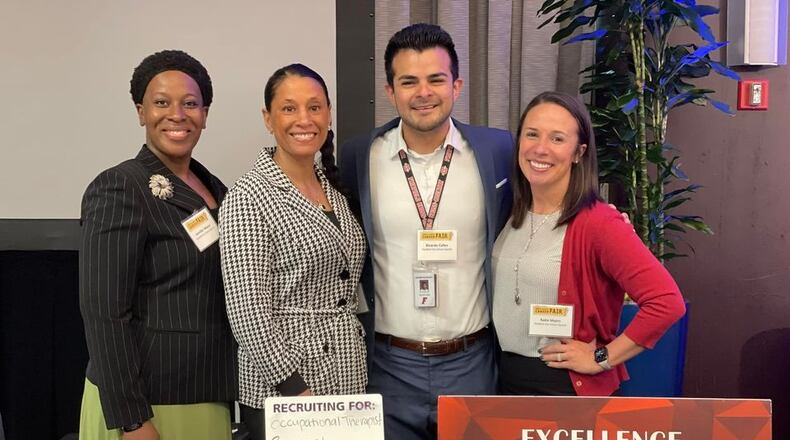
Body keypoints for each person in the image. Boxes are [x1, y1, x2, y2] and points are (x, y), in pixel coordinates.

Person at [338, 24, 513, 440]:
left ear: (457, 85)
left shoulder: (498, 151)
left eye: (436, 79)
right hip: (388, 364)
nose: (423, 92)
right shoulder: (359, 155)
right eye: (408, 81)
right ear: (390, 91)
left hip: (472, 362)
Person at [78, 50, 237, 440]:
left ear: (205, 114)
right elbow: (105, 313)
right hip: (147, 404)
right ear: (140, 111)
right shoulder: (121, 187)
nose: (177, 115)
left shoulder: (218, 190)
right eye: (161, 102)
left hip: (207, 394)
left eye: (190, 104)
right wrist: (132, 419)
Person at [491, 91, 687, 396]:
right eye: (532, 134)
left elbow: (667, 302)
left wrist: (601, 358)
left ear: (578, 152)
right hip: (504, 379)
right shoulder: (507, 210)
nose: (540, 149)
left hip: (564, 387)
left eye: (557, 139)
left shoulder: (599, 223)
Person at [219, 64, 368, 440]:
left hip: (345, 373)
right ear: (268, 119)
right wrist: (296, 391)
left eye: (315, 107)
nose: (304, 119)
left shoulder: (333, 189)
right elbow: (247, 313)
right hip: (285, 388)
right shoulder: (248, 197)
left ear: (329, 114)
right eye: (289, 108)